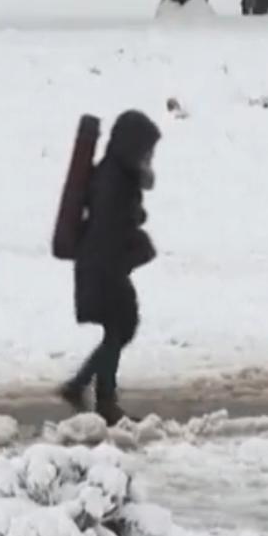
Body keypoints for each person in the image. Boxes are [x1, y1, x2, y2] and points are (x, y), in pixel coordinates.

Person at [58, 109, 159, 426]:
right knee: (120, 327)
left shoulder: (117, 176)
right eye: (146, 150)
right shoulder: (114, 180)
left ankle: (88, 390)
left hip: (103, 265)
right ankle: (98, 397)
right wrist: (136, 246)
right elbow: (110, 229)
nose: (149, 157)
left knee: (120, 328)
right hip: (102, 267)